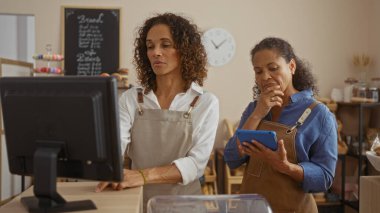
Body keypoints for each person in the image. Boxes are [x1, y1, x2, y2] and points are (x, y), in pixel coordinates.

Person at [95, 13, 219, 212]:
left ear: (185, 50)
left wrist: (142, 175)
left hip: (185, 204)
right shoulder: (131, 98)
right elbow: (116, 145)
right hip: (137, 201)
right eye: (150, 46)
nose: (156, 52)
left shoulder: (204, 102)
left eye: (165, 45)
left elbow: (196, 164)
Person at [224, 37, 337, 213]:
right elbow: (231, 158)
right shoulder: (254, 108)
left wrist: (286, 167)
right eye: (258, 71)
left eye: (273, 68)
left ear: (291, 66)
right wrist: (258, 113)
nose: (265, 77)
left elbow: (325, 178)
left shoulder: (319, 114)